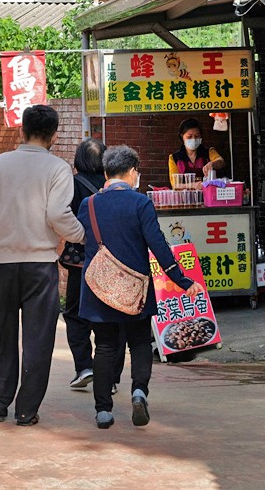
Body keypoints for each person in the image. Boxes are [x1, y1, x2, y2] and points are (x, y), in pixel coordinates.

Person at [0, 104, 85, 427]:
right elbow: (58, 216)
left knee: (3, 338)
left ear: (22, 130)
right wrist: (81, 234)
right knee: (38, 340)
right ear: (53, 135)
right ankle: (26, 410)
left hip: (4, 265)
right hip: (40, 267)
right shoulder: (58, 169)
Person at [78, 145, 203, 429]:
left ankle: (103, 411)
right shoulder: (140, 203)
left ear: (106, 172)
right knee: (139, 342)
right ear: (132, 172)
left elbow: (79, 241)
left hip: (101, 291)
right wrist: (183, 282)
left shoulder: (89, 205)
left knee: (106, 346)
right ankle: (138, 392)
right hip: (136, 289)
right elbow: (158, 246)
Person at [61, 138, 126, 392]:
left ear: (78, 160)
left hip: (81, 262)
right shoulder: (116, 187)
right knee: (112, 317)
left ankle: (85, 367)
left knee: (76, 315)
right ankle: (109, 377)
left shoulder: (72, 186)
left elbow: (62, 216)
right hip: (114, 262)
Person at [168, 117, 226, 187]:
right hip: (185, 196)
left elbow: (221, 162)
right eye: (189, 137)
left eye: (197, 136)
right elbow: (175, 185)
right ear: (182, 136)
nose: (193, 139)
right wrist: (193, 185)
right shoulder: (174, 158)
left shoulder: (209, 152)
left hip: (208, 195)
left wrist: (213, 164)